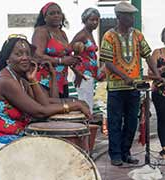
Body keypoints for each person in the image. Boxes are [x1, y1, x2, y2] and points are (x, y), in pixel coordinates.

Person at [0, 34, 92, 160]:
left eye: (27, 54)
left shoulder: (20, 79)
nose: (25, 58)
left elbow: (44, 103)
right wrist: (74, 105)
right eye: (19, 54)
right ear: (7, 59)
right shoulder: (6, 81)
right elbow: (39, 112)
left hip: (10, 137)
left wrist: (32, 79)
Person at [99, 1, 162, 166]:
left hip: (134, 88)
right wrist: (124, 76)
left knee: (132, 122)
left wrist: (156, 74)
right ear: (119, 16)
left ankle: (126, 153)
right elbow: (107, 62)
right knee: (114, 121)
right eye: (128, 15)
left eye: (132, 15)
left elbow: (147, 55)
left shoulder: (137, 35)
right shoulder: (109, 36)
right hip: (115, 88)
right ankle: (115, 155)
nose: (132, 18)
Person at [32, 2, 81, 98]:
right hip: (46, 82)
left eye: (59, 13)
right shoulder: (41, 32)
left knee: (63, 110)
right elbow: (37, 56)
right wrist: (60, 61)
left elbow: (66, 56)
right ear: (45, 17)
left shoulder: (62, 33)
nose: (56, 15)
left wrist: (76, 70)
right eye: (52, 13)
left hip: (62, 81)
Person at [70, 8, 106, 113]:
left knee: (88, 105)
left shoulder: (90, 33)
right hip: (83, 75)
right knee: (85, 106)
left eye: (97, 20)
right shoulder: (82, 35)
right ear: (85, 20)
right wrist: (77, 72)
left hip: (89, 75)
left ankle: (88, 128)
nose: (95, 23)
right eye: (92, 20)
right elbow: (68, 51)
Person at [148, 27, 165, 159]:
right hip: (160, 92)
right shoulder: (157, 53)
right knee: (162, 119)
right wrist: (161, 73)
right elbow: (149, 74)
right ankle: (164, 147)